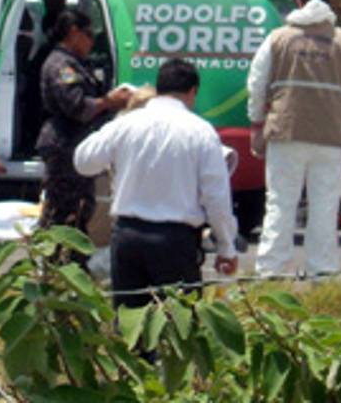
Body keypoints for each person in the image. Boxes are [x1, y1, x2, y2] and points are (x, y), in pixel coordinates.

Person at [74, 59, 238, 308]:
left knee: (130, 328)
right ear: (193, 92)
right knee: (179, 329)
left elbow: (83, 161)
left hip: (127, 237)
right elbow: (216, 197)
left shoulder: (126, 124)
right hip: (175, 241)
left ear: (159, 88)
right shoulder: (201, 132)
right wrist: (226, 247)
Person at [246, 0, 341, 277]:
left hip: (285, 132)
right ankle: (322, 272)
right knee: (325, 208)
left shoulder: (278, 39)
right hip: (330, 138)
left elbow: (256, 84)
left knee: (280, 204)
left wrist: (255, 124)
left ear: (299, 3)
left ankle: (270, 273)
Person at [35, 9, 131, 236]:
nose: (92, 41)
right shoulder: (62, 66)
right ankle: (57, 261)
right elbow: (76, 106)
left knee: (80, 207)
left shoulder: (77, 63)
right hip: (64, 143)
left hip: (76, 142)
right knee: (64, 210)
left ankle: (70, 260)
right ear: (74, 32)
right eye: (90, 34)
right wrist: (108, 102)